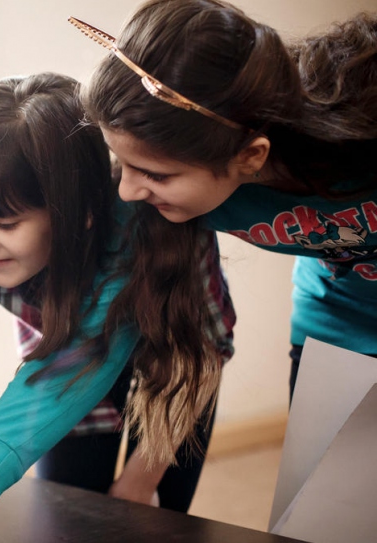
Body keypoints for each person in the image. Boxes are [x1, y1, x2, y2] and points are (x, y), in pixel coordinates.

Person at [0, 71, 232, 541]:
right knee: (67, 517)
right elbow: (50, 375)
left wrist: (139, 482)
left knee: (152, 520)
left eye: (6, 223)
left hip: (172, 374)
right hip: (64, 365)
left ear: (79, 215)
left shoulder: (157, 226)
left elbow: (196, 359)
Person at [78, 0, 377, 397]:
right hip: (338, 322)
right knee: (334, 462)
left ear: (251, 156)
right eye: (126, 163)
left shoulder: (357, 151)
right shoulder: (166, 188)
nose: (127, 191)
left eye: (156, 174)